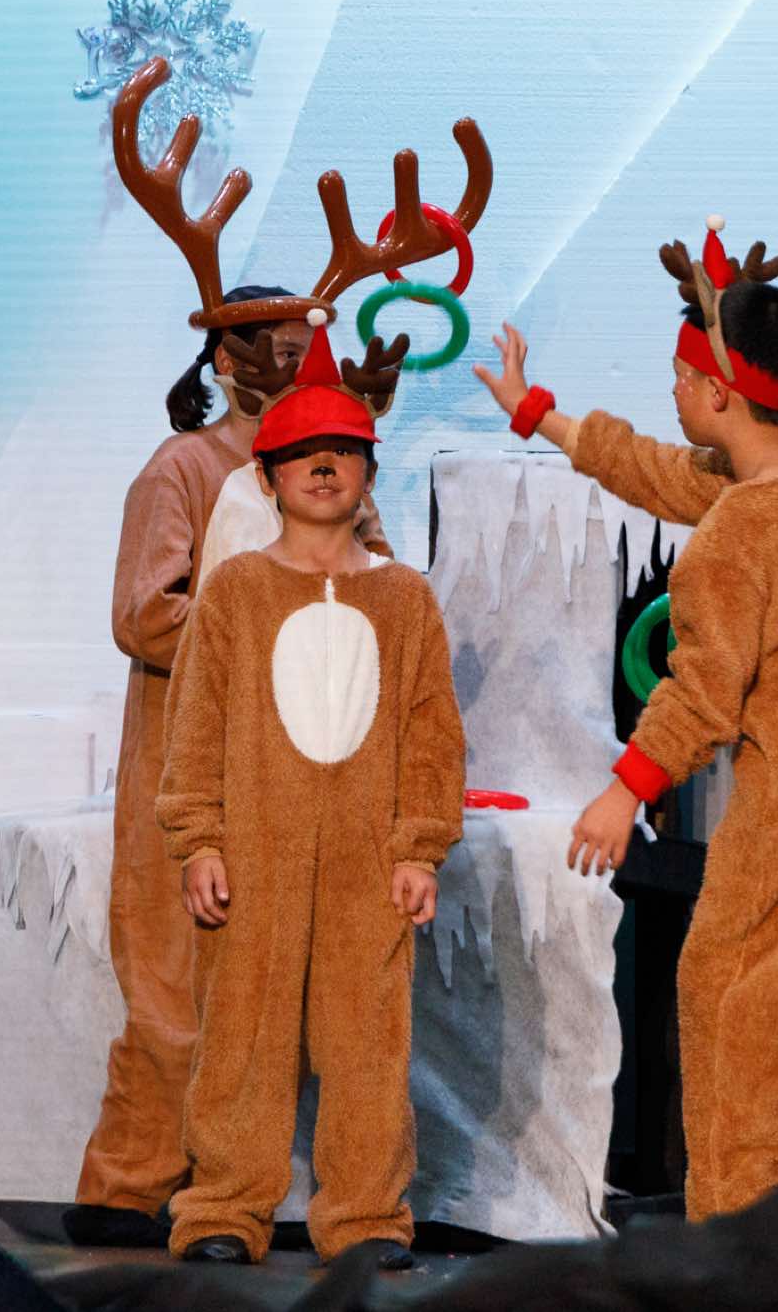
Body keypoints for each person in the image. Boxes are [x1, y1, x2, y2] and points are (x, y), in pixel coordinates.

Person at [473, 217, 778, 1220]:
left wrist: (623, 792)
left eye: (683, 377)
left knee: (731, 990)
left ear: (720, 392)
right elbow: (661, 470)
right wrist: (537, 413)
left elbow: (702, 689)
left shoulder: (740, 533)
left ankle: (734, 1232)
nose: (674, 390)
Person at [67, 287, 389, 1249]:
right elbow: (144, 613)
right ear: (222, 362)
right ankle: (123, 1199)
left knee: (261, 999)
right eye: (273, 351)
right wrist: (263, 640)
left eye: (301, 350)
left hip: (298, 772)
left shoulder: (323, 472)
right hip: (187, 765)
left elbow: (373, 593)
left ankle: (230, 1202)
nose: (291, 367)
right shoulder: (183, 469)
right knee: (172, 1000)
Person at [157, 312, 464, 1268]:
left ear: (369, 470)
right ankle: (224, 1206)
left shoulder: (404, 598)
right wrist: (200, 839)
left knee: (369, 1042)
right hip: (256, 856)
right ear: (267, 475)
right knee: (242, 1034)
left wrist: (418, 848)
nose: (323, 466)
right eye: (300, 451)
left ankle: (366, 1215)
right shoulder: (236, 593)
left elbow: (430, 733)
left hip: (368, 866)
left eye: (343, 450)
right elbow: (195, 726)